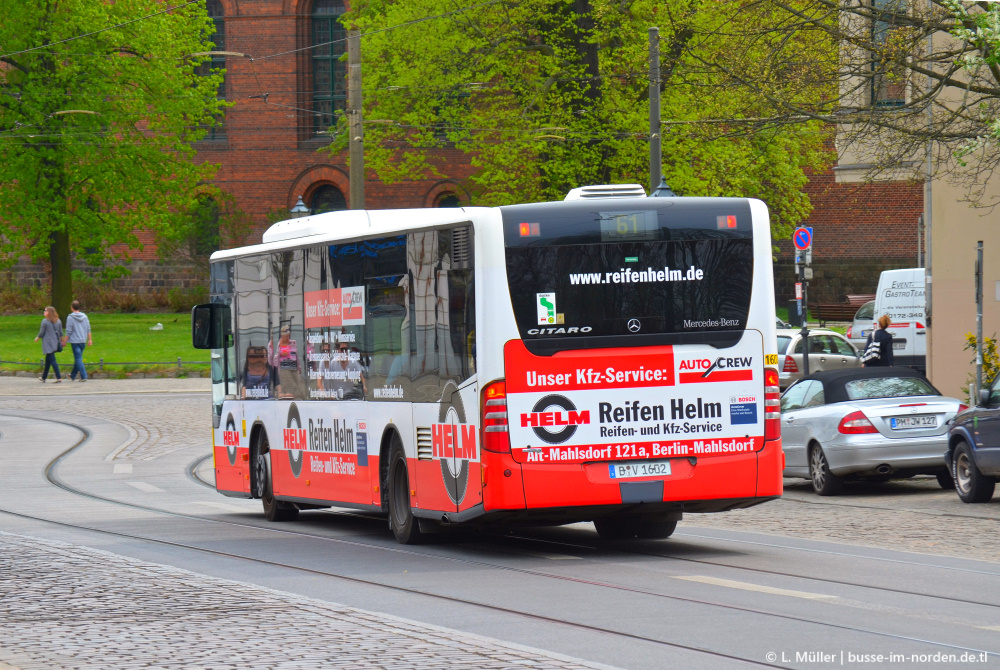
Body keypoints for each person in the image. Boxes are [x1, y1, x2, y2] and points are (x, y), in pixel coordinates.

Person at [62, 300, 93, 382]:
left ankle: (84, 376)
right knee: (78, 358)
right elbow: (88, 329)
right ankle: (72, 376)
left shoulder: (70, 317)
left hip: (75, 341)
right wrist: (90, 340)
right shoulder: (85, 316)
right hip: (83, 340)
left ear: (71, 308)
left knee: (78, 359)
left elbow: (68, 331)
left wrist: (64, 341)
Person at [34, 306, 63, 383]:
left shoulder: (45, 321)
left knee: (52, 360)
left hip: (48, 343)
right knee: (48, 361)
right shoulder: (58, 321)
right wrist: (62, 340)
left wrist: (38, 337)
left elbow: (42, 332)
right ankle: (44, 377)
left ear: (49, 312)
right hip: (55, 342)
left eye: (45, 311)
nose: (44, 312)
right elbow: (61, 332)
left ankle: (59, 377)